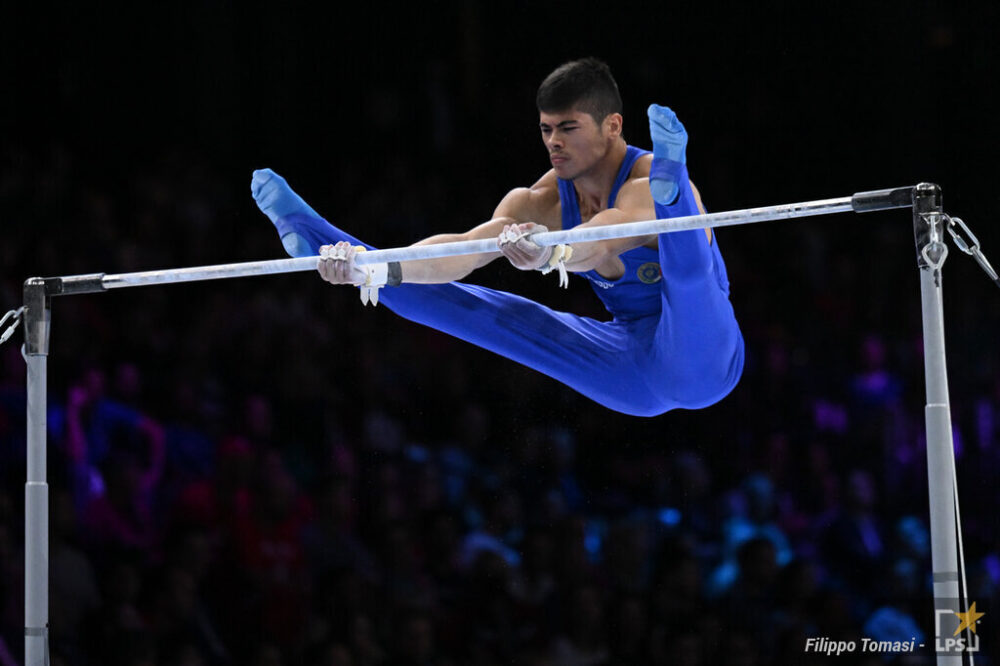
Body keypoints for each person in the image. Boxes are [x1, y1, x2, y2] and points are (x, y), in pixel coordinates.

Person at [251, 58, 743, 416]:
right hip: (631, 363)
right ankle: (330, 243)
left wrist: (555, 251)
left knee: (685, 259)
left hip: (704, 358)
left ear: (613, 126)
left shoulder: (639, 184)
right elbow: (467, 248)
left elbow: (604, 235)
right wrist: (380, 268)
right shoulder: (540, 201)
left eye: (568, 128)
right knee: (481, 311)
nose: (554, 142)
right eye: (547, 129)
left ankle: (676, 189)